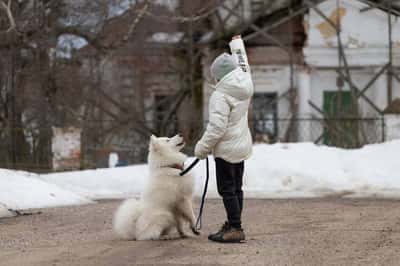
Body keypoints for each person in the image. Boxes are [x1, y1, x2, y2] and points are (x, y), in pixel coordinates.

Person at [194, 35, 254, 243]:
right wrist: (237, 44)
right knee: (237, 188)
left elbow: (217, 128)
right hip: (242, 146)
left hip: (226, 150)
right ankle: (233, 223)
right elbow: (242, 60)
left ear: (220, 77)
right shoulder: (245, 79)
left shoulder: (220, 95)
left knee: (227, 189)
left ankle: (235, 228)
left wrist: (201, 148)